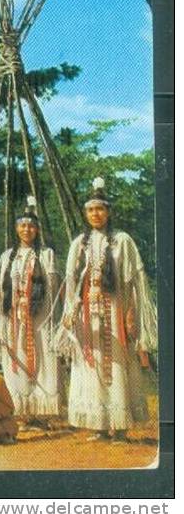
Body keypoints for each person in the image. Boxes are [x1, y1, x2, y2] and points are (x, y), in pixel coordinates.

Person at [57, 177, 158, 442]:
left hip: (115, 312)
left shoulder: (122, 241)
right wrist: (70, 313)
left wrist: (131, 312)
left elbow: (135, 282)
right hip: (87, 316)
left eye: (100, 209)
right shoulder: (79, 243)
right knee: (90, 365)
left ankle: (121, 428)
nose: (95, 214)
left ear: (108, 212)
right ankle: (100, 426)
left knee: (117, 364)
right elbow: (72, 283)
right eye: (90, 210)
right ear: (85, 213)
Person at [0, 196, 62, 428]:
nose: (27, 229)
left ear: (37, 229)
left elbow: (53, 290)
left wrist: (48, 319)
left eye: (31, 226)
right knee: (16, 363)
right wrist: (2, 323)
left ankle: (40, 415)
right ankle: (21, 414)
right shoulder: (6, 257)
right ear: (16, 228)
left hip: (40, 321)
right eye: (22, 225)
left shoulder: (46, 254)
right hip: (13, 321)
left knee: (43, 363)